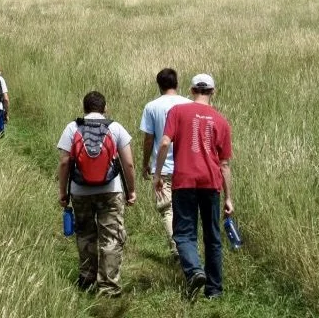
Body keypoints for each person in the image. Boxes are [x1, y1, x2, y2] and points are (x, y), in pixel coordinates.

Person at [154, 74, 233, 300]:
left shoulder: (177, 112)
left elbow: (165, 142)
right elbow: (224, 164)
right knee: (213, 236)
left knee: (184, 233)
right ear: (213, 92)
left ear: (191, 90)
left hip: (185, 181)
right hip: (211, 182)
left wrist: (157, 174)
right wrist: (229, 197)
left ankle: (195, 271)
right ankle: (214, 290)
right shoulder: (221, 121)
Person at [57, 91, 137, 298]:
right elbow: (128, 163)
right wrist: (132, 190)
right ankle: (109, 286)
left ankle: (86, 278)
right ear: (105, 108)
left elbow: (65, 162)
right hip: (110, 191)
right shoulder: (115, 127)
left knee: (85, 234)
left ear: (84, 108)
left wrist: (62, 192)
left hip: (79, 191)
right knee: (111, 238)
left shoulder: (72, 127)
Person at [140, 68, 190, 258]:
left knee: (167, 209)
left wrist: (146, 163)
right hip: (186, 165)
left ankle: (176, 248)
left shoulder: (152, 106)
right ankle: (188, 247)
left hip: (162, 167)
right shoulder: (189, 104)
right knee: (185, 209)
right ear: (177, 83)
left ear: (159, 85)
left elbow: (148, 139)